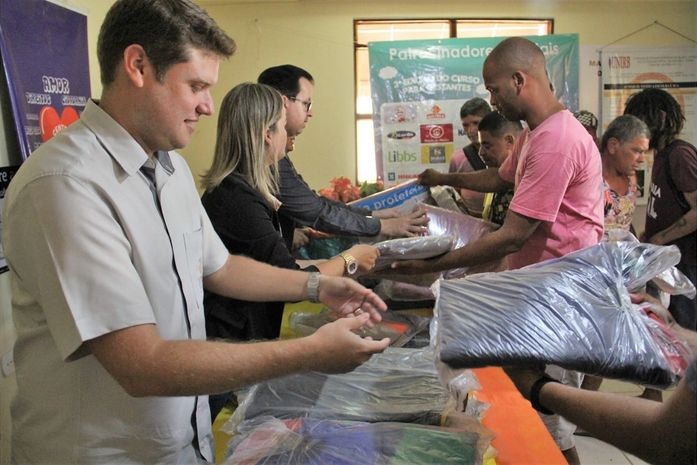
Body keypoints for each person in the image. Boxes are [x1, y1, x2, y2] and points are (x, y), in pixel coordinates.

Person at [1, 2, 390, 463]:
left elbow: (220, 268)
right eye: (197, 86)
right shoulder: (67, 184)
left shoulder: (171, 168)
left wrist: (316, 286)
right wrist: (308, 352)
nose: (208, 106)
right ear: (138, 66)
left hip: (184, 442)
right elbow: (141, 365)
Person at [404, 37, 605, 464]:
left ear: (518, 80)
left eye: (494, 90)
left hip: (560, 300)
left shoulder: (556, 140)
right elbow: (499, 178)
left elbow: (513, 235)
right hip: (538, 292)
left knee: (551, 424)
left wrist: (435, 265)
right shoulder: (536, 134)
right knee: (533, 417)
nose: (492, 101)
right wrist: (444, 178)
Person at [505, 294, 697, 465]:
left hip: (558, 329)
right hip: (557, 318)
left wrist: (539, 388)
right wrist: (674, 332)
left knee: (555, 437)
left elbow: (671, 440)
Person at [257, 65, 429, 249]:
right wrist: (383, 226)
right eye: (306, 104)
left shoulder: (274, 152)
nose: (310, 113)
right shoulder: (265, 154)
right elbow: (316, 212)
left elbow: (313, 202)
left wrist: (373, 214)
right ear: (284, 102)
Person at [624, 88, 697, 331]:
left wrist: (659, 238)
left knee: (684, 332)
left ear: (662, 118)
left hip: (687, 265)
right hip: (670, 262)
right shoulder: (663, 155)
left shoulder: (680, 155)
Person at [600, 114, 650, 235]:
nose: (642, 159)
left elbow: (625, 221)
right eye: (637, 151)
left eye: (644, 152)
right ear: (613, 146)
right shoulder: (590, 178)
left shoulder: (631, 178)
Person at [448, 97, 493, 217]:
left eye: (476, 123)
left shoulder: (508, 154)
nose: (471, 130)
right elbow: (456, 197)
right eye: (465, 125)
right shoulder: (458, 159)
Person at [476, 111, 522, 225]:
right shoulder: (494, 179)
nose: (481, 152)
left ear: (509, 141)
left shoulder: (523, 179)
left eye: (487, 146)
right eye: (480, 146)